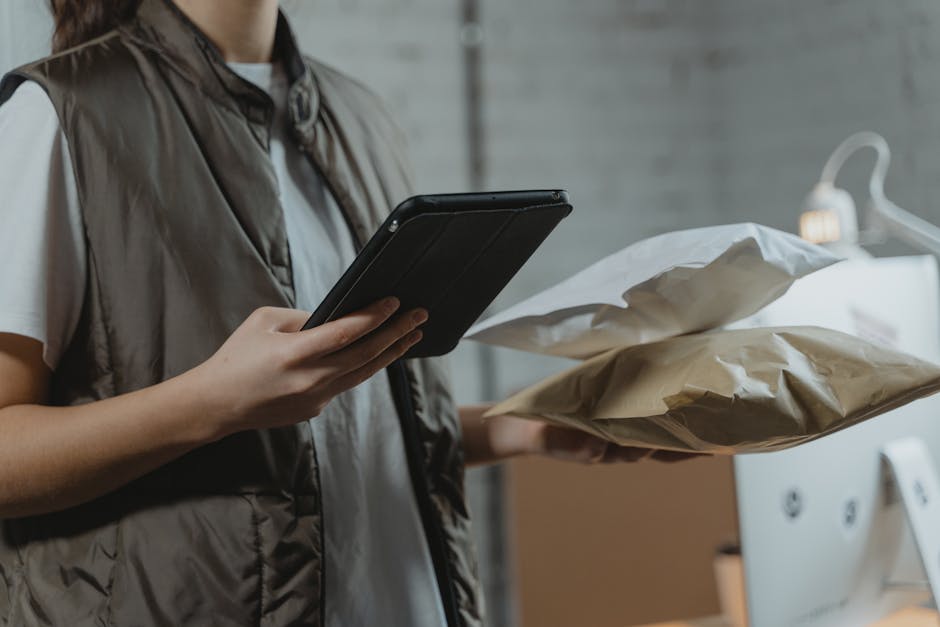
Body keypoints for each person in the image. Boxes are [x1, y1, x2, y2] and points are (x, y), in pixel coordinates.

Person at [0, 1, 689, 625]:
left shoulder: (359, 117)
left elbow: (354, 425)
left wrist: (525, 427)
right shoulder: (57, 114)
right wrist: (212, 400)